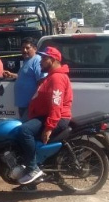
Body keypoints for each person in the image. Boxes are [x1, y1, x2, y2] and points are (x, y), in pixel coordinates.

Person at [16, 47, 72, 186]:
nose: (40, 62)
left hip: (57, 118)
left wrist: (49, 127)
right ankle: (30, 183)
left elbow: (56, 105)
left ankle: (33, 169)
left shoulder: (57, 78)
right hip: (48, 115)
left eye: (43, 59)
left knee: (25, 130)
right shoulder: (52, 76)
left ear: (52, 60)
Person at [2, 37, 42, 118]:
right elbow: (24, 76)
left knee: (26, 128)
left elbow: (41, 81)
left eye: (27, 48)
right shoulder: (27, 61)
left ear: (35, 49)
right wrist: (12, 75)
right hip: (23, 104)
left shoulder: (37, 60)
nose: (24, 50)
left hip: (30, 105)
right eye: (23, 48)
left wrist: (35, 101)